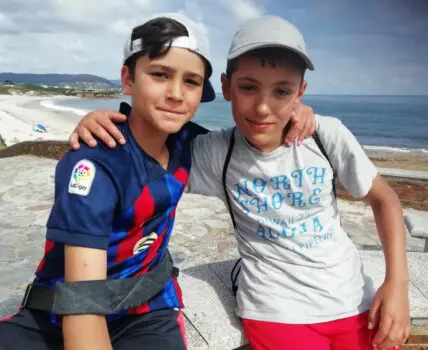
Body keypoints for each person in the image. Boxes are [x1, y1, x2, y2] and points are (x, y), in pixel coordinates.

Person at [68, 15, 410, 350]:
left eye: (281, 91)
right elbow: (150, 140)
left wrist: (397, 284)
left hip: (356, 299)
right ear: (228, 87)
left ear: (300, 92)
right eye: (248, 88)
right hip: (275, 310)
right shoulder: (216, 153)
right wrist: (98, 121)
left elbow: (385, 200)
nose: (262, 107)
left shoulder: (325, 134)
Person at [0, 14, 314, 350]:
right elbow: (82, 301)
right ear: (128, 78)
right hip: (57, 314)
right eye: (160, 74)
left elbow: (253, 140)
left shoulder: (187, 145)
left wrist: (296, 112)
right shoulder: (96, 165)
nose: (177, 94)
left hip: (146, 309)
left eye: (191, 82)